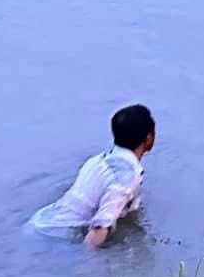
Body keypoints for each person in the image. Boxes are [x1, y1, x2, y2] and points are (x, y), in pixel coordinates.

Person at [29, 104, 155, 249]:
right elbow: (100, 226)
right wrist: (89, 267)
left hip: (40, 222)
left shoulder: (97, 160)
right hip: (56, 238)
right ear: (149, 138)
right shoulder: (126, 178)